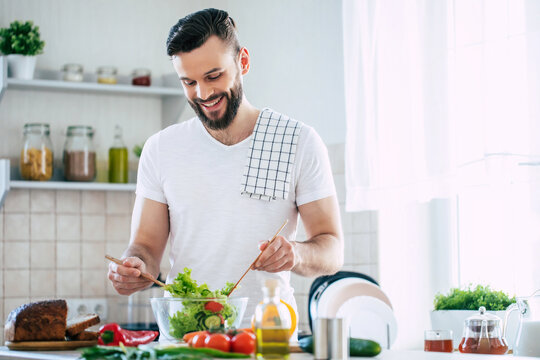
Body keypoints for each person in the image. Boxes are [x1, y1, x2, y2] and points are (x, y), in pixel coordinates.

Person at [108, 8, 343, 328]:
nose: (203, 94)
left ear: (243, 62)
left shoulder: (298, 140)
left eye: (213, 76)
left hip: (265, 338)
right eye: (188, 82)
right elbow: (146, 247)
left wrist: (296, 254)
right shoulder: (161, 149)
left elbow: (331, 251)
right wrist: (134, 266)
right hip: (185, 338)